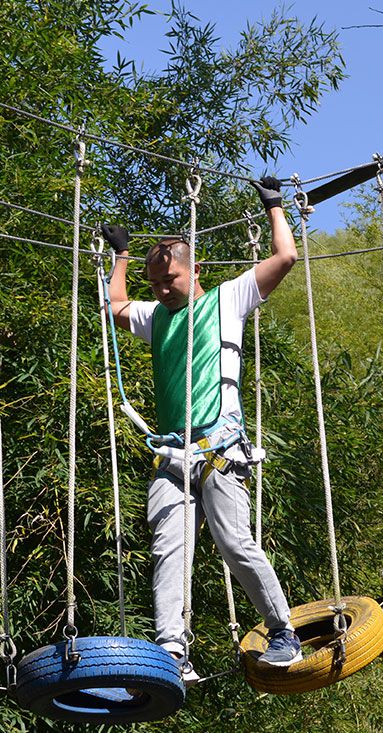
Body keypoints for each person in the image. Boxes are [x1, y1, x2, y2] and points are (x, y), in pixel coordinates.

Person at [101, 176, 301, 684]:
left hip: (219, 447)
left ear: (195, 272)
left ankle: (284, 633)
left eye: (171, 280)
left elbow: (284, 259)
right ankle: (172, 651)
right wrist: (121, 256)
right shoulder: (157, 316)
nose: (163, 290)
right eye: (156, 285)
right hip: (172, 455)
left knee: (236, 543)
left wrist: (275, 207)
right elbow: (115, 308)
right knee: (169, 549)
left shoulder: (227, 300)